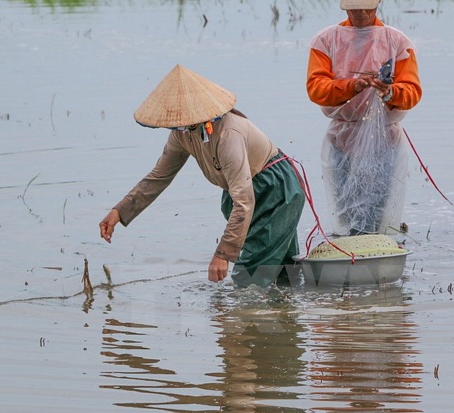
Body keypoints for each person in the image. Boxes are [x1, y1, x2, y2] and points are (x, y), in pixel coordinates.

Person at [99, 64, 305, 287]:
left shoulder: (228, 134)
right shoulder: (183, 133)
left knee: (250, 277)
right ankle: (292, 308)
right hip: (245, 191)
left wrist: (223, 254)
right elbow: (158, 177)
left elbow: (244, 201)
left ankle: (263, 316)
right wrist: (119, 211)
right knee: (283, 272)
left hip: (276, 191)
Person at [306, 0, 422, 236]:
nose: (360, 14)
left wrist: (390, 92)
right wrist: (351, 86)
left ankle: (372, 260)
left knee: (375, 209)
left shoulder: (398, 43)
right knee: (346, 208)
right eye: (353, 7)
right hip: (341, 137)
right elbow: (316, 88)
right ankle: (352, 256)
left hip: (384, 138)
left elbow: (412, 90)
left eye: (366, 7)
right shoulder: (325, 41)